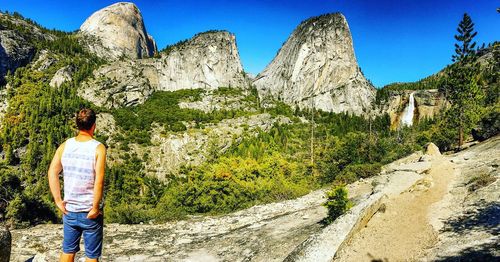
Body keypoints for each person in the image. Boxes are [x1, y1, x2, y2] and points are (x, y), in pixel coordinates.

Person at [48, 108, 106, 262]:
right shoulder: (99, 148)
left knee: (68, 251)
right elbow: (99, 180)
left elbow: (52, 172)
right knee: (92, 256)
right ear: (94, 125)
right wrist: (95, 207)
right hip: (89, 212)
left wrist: (58, 201)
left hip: (70, 211)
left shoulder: (65, 146)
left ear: (77, 125)